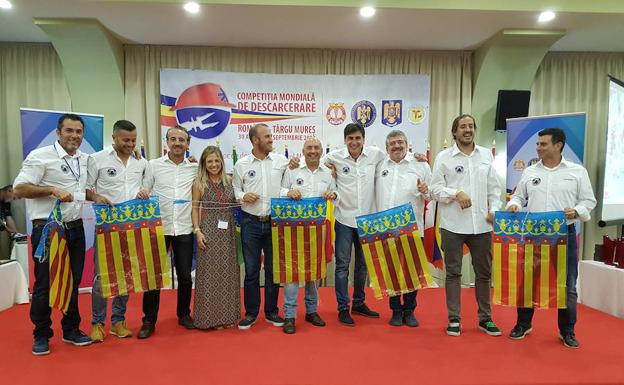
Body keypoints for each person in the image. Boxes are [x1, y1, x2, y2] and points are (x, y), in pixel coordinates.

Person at [506, 127, 596, 349]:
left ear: (558, 145)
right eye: (537, 144)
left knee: (567, 285)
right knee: (528, 281)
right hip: (533, 234)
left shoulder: (576, 171)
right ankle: (523, 323)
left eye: (543, 144)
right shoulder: (529, 171)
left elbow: (588, 201)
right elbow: (518, 195)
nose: (538, 147)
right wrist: (514, 205)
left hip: (563, 233)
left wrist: (576, 211)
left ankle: (567, 330)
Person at [13, 113, 92, 355]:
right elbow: (19, 188)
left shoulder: (85, 159)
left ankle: (70, 329)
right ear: (58, 133)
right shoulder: (40, 157)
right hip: (48, 231)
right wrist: (51, 190)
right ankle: (41, 334)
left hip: (76, 229)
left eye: (78, 132)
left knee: (73, 282)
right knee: (44, 285)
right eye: (69, 131)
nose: (74, 136)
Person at [430, 114, 502, 337]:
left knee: (484, 273)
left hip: (482, 225)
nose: (467, 130)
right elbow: (434, 190)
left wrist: (495, 210)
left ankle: (485, 318)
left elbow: (495, 189)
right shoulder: (444, 157)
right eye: (462, 127)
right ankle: (454, 319)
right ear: (454, 132)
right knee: (453, 273)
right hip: (452, 225)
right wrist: (455, 193)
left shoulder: (485, 157)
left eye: (471, 126)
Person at [86, 120, 151, 342]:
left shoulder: (142, 162)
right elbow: (85, 188)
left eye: (133, 140)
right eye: (126, 140)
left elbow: (149, 184)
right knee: (101, 277)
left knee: (126, 275)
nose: (130, 144)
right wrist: (95, 196)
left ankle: (118, 321)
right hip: (106, 226)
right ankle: (97, 323)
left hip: (133, 225)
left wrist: (144, 191)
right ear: (114, 138)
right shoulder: (97, 159)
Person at [324, 123, 385, 326]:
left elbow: (395, 163)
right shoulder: (334, 158)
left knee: (362, 266)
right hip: (344, 219)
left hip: (367, 220)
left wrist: (417, 159)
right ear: (345, 140)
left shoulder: (376, 155)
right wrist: (328, 170)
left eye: (357, 138)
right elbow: (317, 163)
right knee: (342, 265)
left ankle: (359, 303)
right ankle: (343, 307)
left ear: (363, 139)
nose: (354, 142)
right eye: (350, 139)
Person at [139, 126, 197, 339]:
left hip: (184, 228)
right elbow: (144, 190)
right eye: (173, 139)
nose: (177, 143)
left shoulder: (194, 168)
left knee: (185, 276)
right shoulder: (153, 165)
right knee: (154, 277)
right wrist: (143, 193)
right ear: (167, 142)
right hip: (158, 228)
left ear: (188, 144)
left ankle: (184, 314)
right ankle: (149, 320)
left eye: (181, 140)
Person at [232, 123, 288, 330]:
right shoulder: (242, 165)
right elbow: (235, 190)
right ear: (255, 140)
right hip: (250, 223)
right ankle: (251, 313)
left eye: (271, 136)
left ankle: (272, 312)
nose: (271, 139)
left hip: (275, 223)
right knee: (252, 271)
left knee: (273, 270)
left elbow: (286, 187)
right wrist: (242, 196)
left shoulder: (281, 161)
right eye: (267, 136)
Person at [280, 138, 337, 334]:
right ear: (303, 151)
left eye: (316, 148)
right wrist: (289, 192)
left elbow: (336, 192)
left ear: (322, 151)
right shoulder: (292, 169)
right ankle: (289, 315)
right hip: (293, 230)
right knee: (292, 273)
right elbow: (279, 191)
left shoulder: (329, 172)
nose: (313, 151)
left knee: (313, 273)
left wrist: (333, 195)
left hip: (317, 230)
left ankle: (311, 311)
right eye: (309, 148)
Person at [375, 130, 431, 327]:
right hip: (386, 227)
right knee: (391, 271)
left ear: (407, 144)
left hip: (412, 227)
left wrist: (426, 191)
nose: (396, 146)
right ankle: (395, 310)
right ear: (386, 147)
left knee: (411, 272)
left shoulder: (421, 164)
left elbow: (432, 195)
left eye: (400, 142)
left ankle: (409, 310)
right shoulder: (380, 164)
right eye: (392, 143)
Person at [192, 145, 241, 330]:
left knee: (229, 275)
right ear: (204, 163)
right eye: (209, 161)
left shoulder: (230, 180)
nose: (214, 164)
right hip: (209, 232)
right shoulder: (199, 183)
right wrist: (197, 231)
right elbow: (194, 208)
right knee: (209, 276)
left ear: (222, 161)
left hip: (229, 234)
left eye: (217, 160)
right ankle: (209, 319)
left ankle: (228, 317)